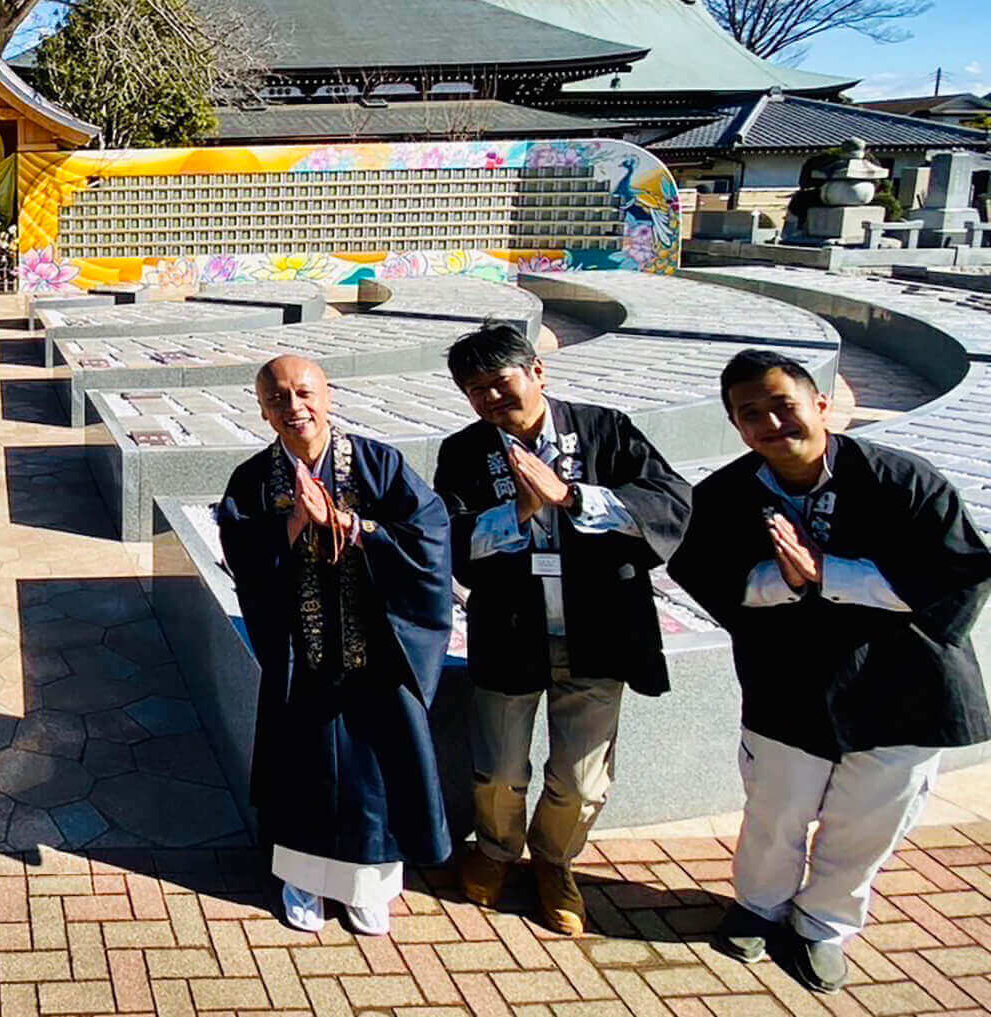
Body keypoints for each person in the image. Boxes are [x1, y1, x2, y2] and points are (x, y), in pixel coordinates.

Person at [670, 349, 991, 994]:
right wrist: (779, 581)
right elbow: (701, 573)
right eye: (749, 414)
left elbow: (956, 571)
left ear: (821, 404)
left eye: (783, 405)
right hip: (789, 681)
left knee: (868, 818)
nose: (770, 423)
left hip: (904, 686)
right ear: (736, 427)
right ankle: (759, 906)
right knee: (775, 809)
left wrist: (832, 577)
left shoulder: (902, 480)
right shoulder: (726, 496)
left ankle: (824, 924)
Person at [432, 324, 692, 935]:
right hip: (511, 625)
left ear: (537, 373)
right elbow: (451, 538)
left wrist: (571, 497)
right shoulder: (464, 452)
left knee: (581, 779)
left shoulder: (606, 429)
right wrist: (517, 511)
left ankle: (554, 862)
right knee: (498, 769)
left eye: (501, 383)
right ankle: (496, 850)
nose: (492, 400)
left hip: (600, 625)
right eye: (476, 391)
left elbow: (669, 501)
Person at [215, 355, 454, 937]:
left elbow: (429, 533)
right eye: (277, 399)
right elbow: (241, 553)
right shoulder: (252, 479)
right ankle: (303, 881)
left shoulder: (379, 464)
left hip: (377, 651)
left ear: (328, 394)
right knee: (302, 768)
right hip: (304, 655)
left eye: (303, 393)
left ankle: (369, 887)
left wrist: (359, 529)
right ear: (262, 409)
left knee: (377, 768)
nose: (293, 407)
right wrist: (292, 525)